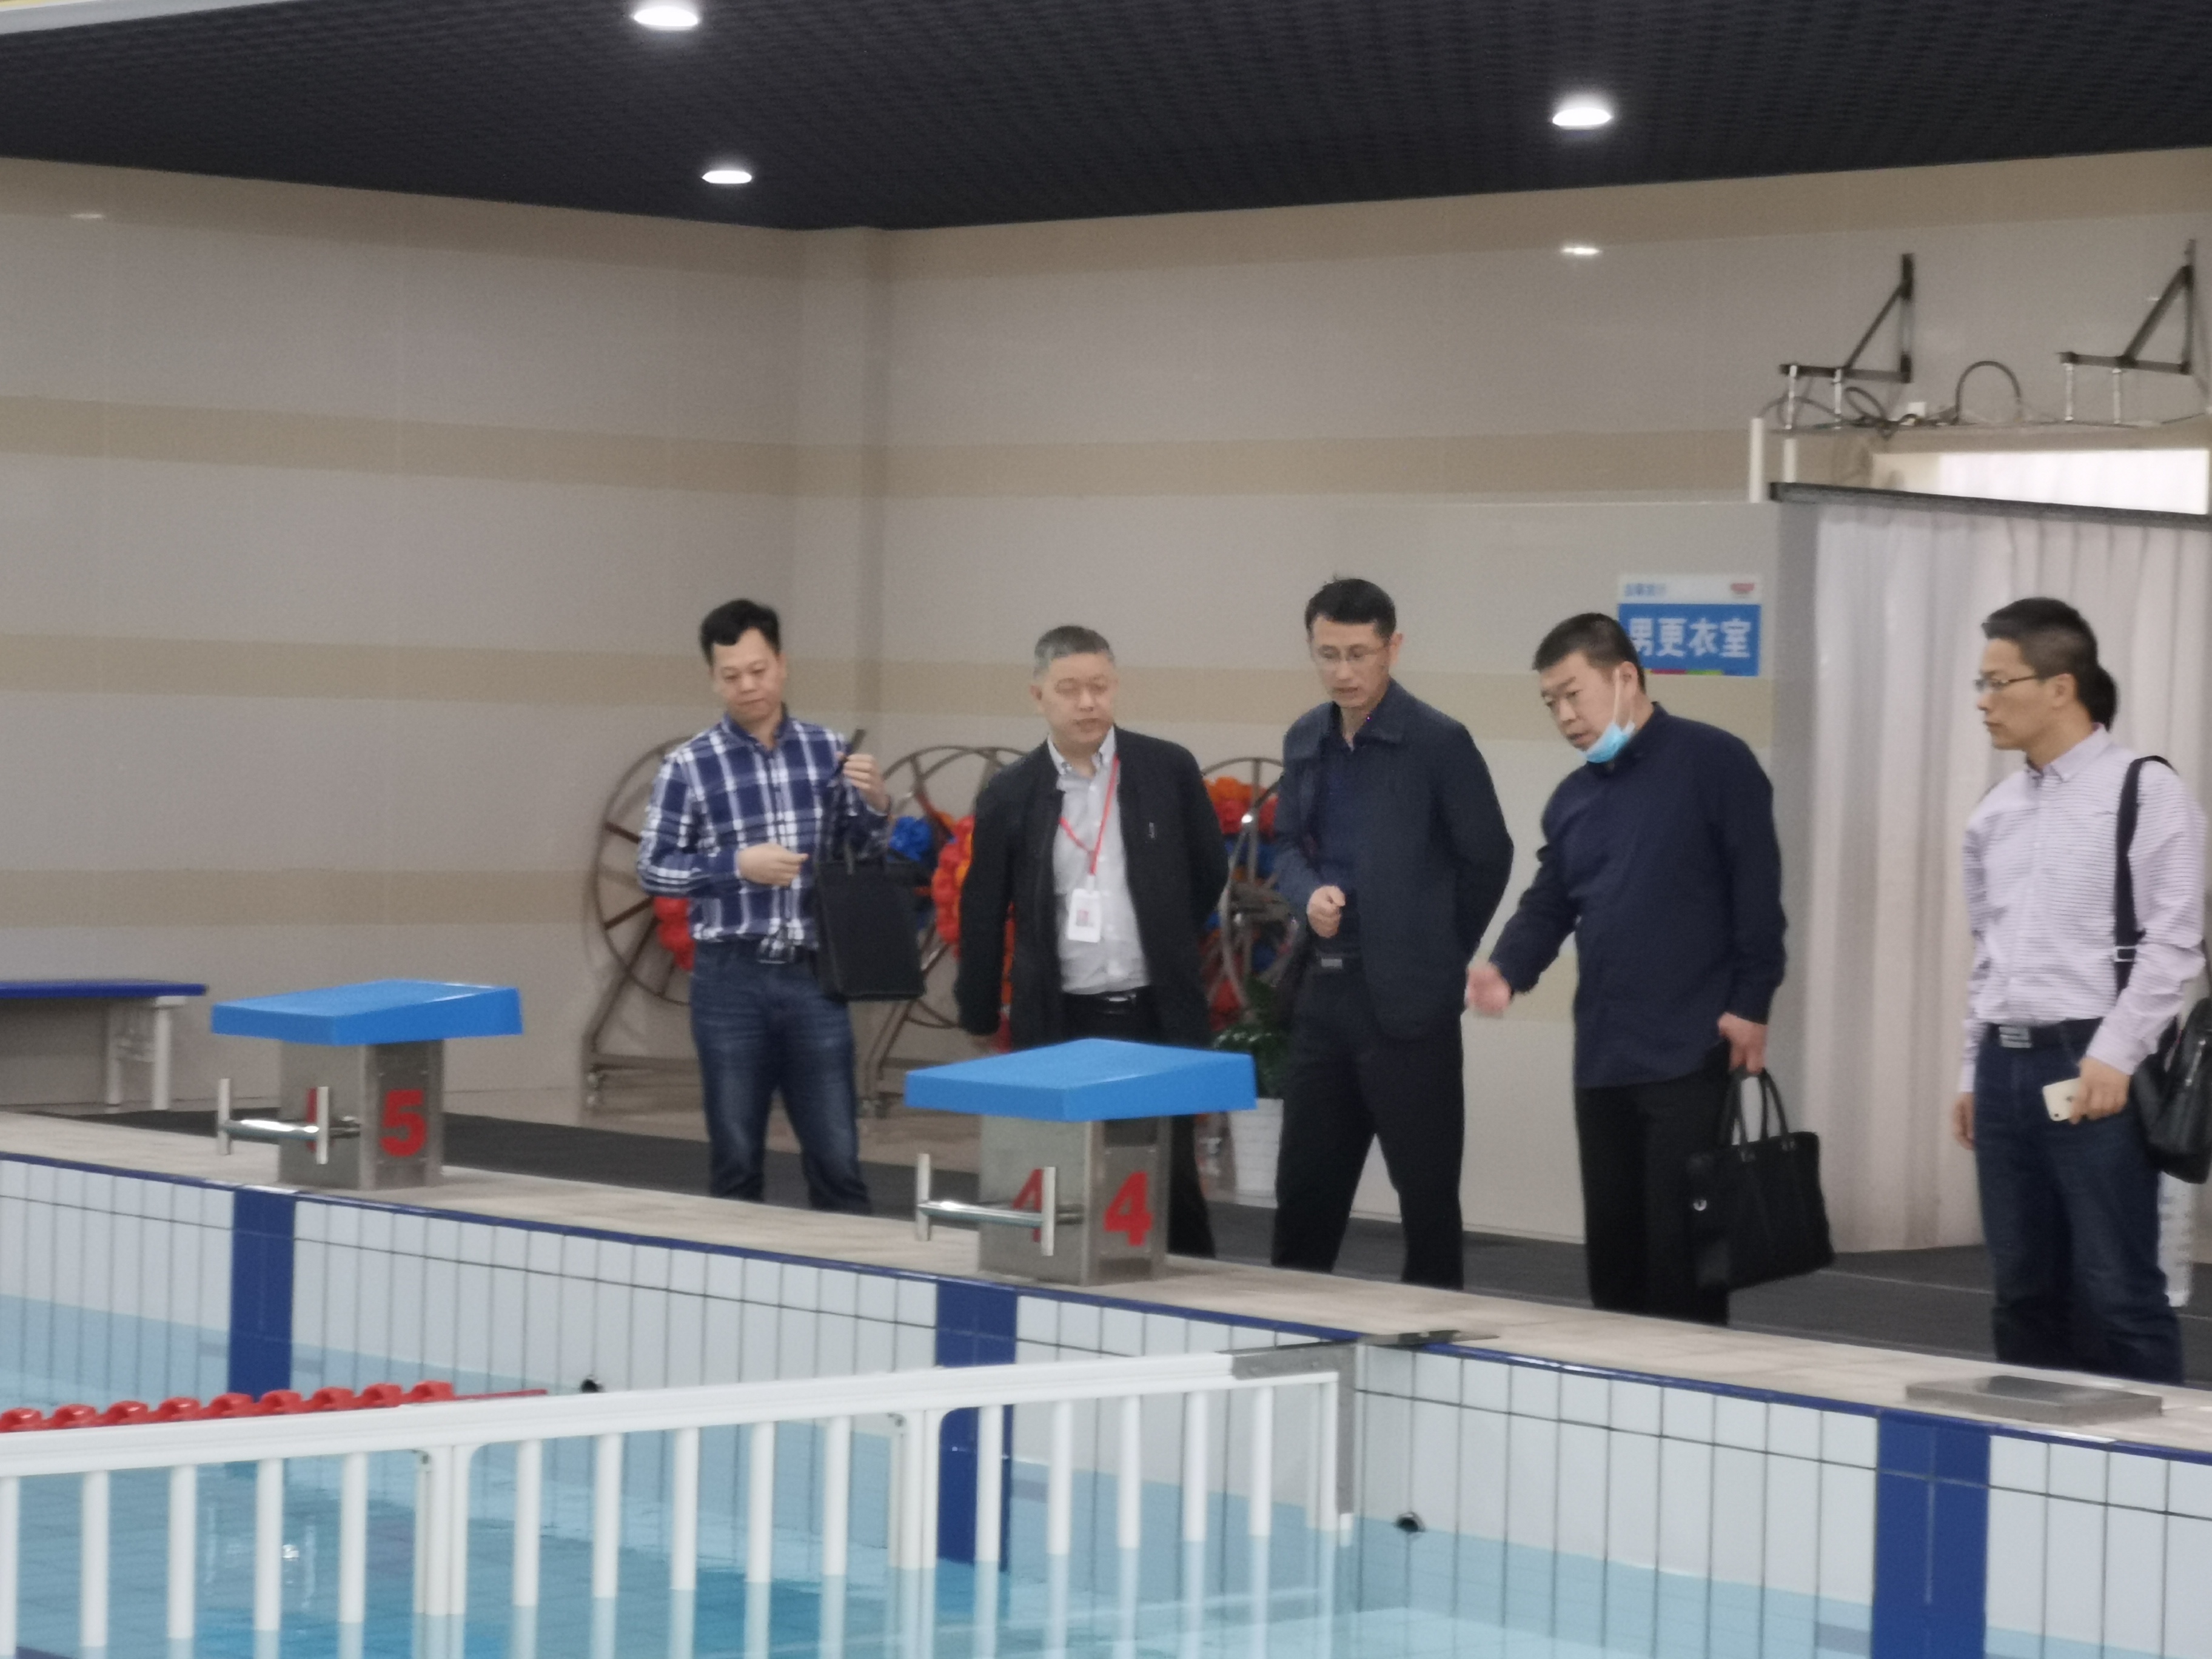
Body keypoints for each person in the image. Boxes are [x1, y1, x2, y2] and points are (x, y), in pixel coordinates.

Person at [1468, 613, 1785, 1327]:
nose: (1564, 715)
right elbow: (1550, 901)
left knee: (1681, 1259)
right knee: (1614, 1261)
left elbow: (1758, 896)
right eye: (1550, 702)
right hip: (1604, 1055)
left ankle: (1692, 1380)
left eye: (1573, 694)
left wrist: (1752, 1002)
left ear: (1625, 678)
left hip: (1688, 1048)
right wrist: (1507, 968)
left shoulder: (1715, 762)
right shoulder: (1573, 798)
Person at [1949, 598, 2199, 1383]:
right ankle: (2034, 1447)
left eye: (1999, 682)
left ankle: (2155, 1454)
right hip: (2006, 1063)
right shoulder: (1994, 813)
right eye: (1981, 683)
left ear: (2060, 687)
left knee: (2116, 1288)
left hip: (2092, 1060)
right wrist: (1972, 1070)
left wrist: (2116, 1054)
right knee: (2022, 1290)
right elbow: (1988, 957)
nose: (1984, 701)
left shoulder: (2144, 790)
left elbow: (2174, 941)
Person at [1270, 578, 1514, 1289]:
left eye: (1359, 654)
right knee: (1305, 1192)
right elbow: (1285, 848)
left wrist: (1439, 949)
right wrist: (1307, 894)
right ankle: (1293, 1323)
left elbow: (1487, 857)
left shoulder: (1438, 742)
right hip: (1324, 992)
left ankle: (1434, 1330)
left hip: (1410, 1004)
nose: (1343, 672)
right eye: (1328, 655)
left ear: (1392, 648)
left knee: (1427, 1197)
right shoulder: (1305, 737)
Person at [954, 625, 1230, 1255]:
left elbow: (1208, 870)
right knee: (1061, 1174)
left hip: (1154, 1009)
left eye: (1100, 687)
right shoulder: (1011, 792)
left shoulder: (1166, 769)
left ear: (1116, 687)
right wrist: (979, 1012)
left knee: (1170, 1179)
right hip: (1061, 1015)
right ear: (1038, 696)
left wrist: (1164, 932)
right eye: (1070, 689)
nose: (1087, 703)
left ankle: (1192, 1291)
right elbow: (983, 910)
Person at [637, 598, 889, 1213]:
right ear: (713, 678)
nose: (748, 686)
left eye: (758, 670)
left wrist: (877, 805)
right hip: (730, 976)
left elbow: (862, 854)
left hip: (814, 974)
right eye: (731, 676)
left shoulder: (827, 750)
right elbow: (653, 867)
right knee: (735, 1161)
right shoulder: (689, 766)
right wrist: (734, 867)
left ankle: (849, 1266)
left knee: (838, 1156)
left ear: (782, 664)